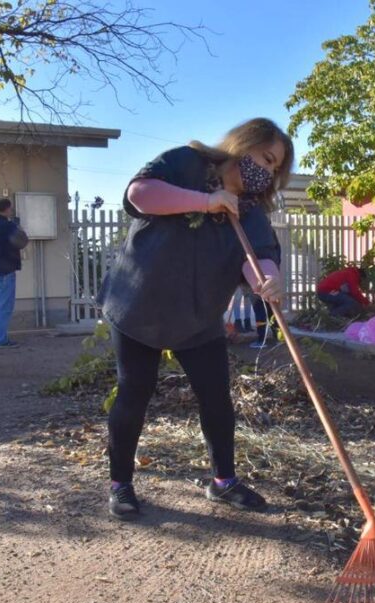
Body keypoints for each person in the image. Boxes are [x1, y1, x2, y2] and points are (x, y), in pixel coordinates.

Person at [97, 117, 294, 519]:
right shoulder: (187, 163)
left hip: (198, 317)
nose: (267, 172)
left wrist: (268, 282)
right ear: (245, 144)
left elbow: (260, 261)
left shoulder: (250, 213)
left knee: (217, 399)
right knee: (134, 392)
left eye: (275, 170)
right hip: (140, 306)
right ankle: (121, 484)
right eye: (266, 158)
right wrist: (206, 201)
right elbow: (140, 194)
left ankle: (223, 482)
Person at [0, 197, 28, 348]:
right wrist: (17, 226)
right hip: (6, 270)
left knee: (1, 304)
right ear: (7, 208)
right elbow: (22, 242)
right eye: (10, 208)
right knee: (5, 307)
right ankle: (1, 339)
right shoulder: (8, 226)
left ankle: (1, 337)